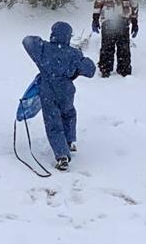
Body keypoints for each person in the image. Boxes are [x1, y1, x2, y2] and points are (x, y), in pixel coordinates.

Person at [22, 22, 96, 171]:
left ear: (53, 34)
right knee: (68, 114)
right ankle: (68, 142)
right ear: (69, 36)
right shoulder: (73, 53)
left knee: (53, 123)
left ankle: (62, 155)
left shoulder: (43, 49)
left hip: (48, 91)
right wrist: (80, 62)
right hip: (66, 91)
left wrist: (45, 44)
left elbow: (27, 40)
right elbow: (91, 70)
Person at [92, 0, 139, 77]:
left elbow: (134, 5)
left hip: (123, 22)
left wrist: (134, 22)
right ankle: (105, 70)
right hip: (108, 21)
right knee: (107, 47)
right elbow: (98, 2)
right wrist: (95, 18)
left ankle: (124, 71)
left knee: (124, 48)